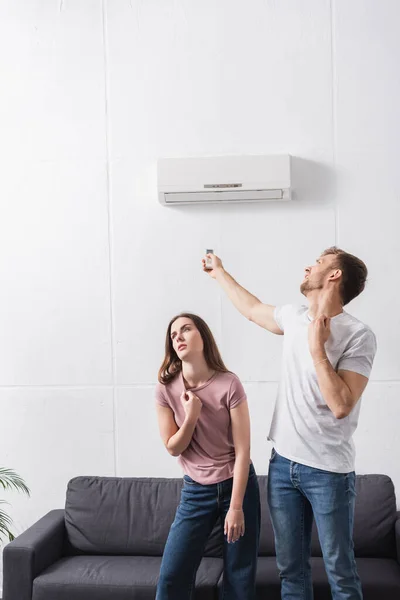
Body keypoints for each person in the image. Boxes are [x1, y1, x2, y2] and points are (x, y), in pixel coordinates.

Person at [203, 247, 377, 600]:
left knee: (340, 573)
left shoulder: (359, 335)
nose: (308, 266)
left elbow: (341, 405)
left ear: (334, 275)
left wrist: (318, 351)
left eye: (318, 262)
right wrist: (219, 273)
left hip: (329, 472)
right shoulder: (294, 316)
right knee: (291, 573)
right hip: (283, 467)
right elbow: (252, 310)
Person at [155, 312, 261, 600]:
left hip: (236, 486)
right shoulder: (167, 387)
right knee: (172, 577)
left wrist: (236, 506)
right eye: (173, 334)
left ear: (203, 336)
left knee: (239, 577)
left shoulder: (229, 384)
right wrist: (191, 416)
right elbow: (173, 447)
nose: (178, 337)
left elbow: (243, 451)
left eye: (185, 330)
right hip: (195, 491)